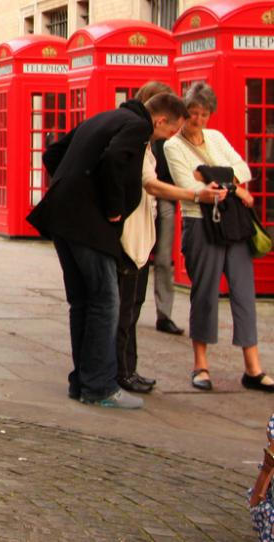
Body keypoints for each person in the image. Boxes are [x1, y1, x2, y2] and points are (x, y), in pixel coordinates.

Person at [27, 91, 189, 409]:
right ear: (160, 120)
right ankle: (100, 386)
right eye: (172, 130)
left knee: (82, 302)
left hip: (61, 217)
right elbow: (115, 159)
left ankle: (82, 381)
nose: (170, 137)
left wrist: (74, 187)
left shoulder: (105, 117)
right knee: (105, 302)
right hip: (89, 225)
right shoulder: (138, 127)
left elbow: (53, 152)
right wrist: (112, 207)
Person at [114, 82, 226, 394]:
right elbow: (149, 183)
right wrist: (195, 193)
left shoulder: (148, 140)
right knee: (125, 304)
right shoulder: (138, 138)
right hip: (134, 225)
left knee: (136, 297)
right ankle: (120, 371)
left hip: (149, 218)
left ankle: (127, 366)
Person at [163, 81, 274, 393]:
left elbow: (243, 169)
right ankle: (201, 364)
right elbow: (191, 187)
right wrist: (229, 185)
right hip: (201, 224)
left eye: (204, 114)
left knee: (243, 293)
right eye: (193, 114)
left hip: (233, 224)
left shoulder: (216, 137)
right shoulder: (173, 146)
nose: (198, 120)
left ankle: (253, 367)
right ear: (184, 113)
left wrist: (213, 176)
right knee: (206, 295)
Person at [151, 133, 183, 335]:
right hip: (142, 196)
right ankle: (126, 308)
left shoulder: (176, 139)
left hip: (167, 198)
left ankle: (164, 315)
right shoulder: (143, 134)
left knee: (163, 258)